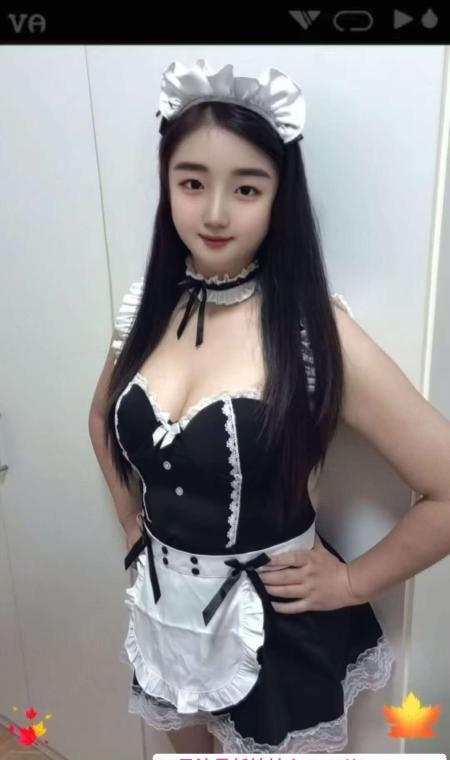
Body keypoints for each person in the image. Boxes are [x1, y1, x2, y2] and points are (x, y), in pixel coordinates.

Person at [88, 59, 450, 753]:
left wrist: (352, 581)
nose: (215, 212)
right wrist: (131, 520)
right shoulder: (144, 310)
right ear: (168, 184)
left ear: (280, 195)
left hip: (281, 634)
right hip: (166, 617)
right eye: (192, 182)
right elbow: (102, 418)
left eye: (247, 187)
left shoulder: (316, 334)